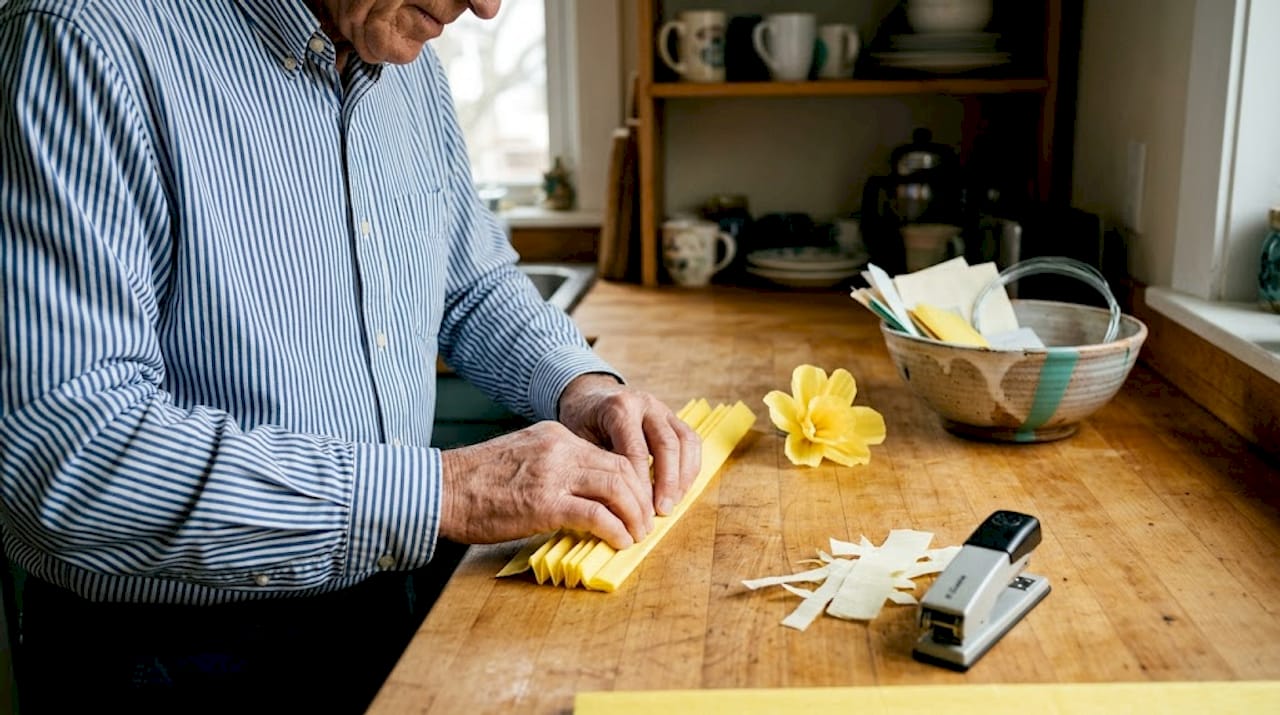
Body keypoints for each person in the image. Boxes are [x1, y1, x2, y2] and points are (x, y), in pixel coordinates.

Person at [0, 0, 700, 711]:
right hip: (167, 658)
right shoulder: (84, 39)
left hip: (379, 602)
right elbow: (64, 454)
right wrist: (448, 491)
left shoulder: (405, 62)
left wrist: (580, 386)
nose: (487, 7)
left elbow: (470, 286)